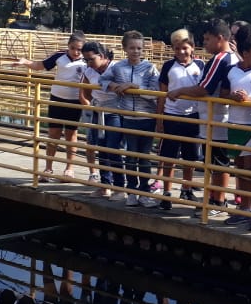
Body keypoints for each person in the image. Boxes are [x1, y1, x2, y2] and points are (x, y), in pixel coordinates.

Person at [167, 20, 238, 217]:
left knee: (217, 162)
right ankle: (216, 198)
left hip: (216, 118)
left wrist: (179, 91)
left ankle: (217, 201)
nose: (204, 43)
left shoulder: (220, 59)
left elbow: (203, 88)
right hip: (220, 116)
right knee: (218, 161)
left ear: (220, 38)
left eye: (207, 39)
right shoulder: (233, 57)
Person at [12, 31, 87, 181]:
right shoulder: (59, 56)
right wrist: (25, 62)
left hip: (75, 101)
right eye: (72, 48)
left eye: (79, 49)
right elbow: (40, 65)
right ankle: (48, 168)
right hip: (56, 99)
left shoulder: (86, 60)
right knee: (53, 133)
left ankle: (69, 168)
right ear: (68, 46)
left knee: (71, 135)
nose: (75, 52)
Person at [100, 31, 161, 207]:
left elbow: (154, 92)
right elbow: (102, 80)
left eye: (139, 48)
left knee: (144, 157)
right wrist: (114, 86)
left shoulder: (150, 68)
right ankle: (132, 191)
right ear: (125, 48)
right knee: (131, 156)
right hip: (127, 117)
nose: (136, 51)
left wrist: (134, 87)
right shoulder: (118, 67)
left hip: (146, 117)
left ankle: (144, 192)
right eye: (132, 48)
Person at [154, 29, 204, 210]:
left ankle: (186, 188)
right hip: (172, 115)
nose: (181, 52)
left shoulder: (200, 65)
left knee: (190, 157)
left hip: (193, 116)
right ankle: (167, 192)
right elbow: (162, 94)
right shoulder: (168, 66)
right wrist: (159, 118)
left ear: (192, 47)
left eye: (185, 48)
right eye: (177, 48)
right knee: (169, 156)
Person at [224, 34, 251, 231]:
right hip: (234, 124)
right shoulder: (231, 70)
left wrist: (249, 100)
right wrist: (232, 96)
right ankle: (243, 208)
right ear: (245, 53)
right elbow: (223, 93)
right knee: (240, 168)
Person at [80, 41, 124, 198]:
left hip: (115, 111)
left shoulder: (117, 68)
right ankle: (105, 185)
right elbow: (84, 91)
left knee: (113, 149)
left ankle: (119, 187)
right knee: (102, 149)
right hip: (98, 111)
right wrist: (90, 107)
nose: (88, 63)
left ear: (102, 56)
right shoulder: (89, 71)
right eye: (86, 60)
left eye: (91, 59)